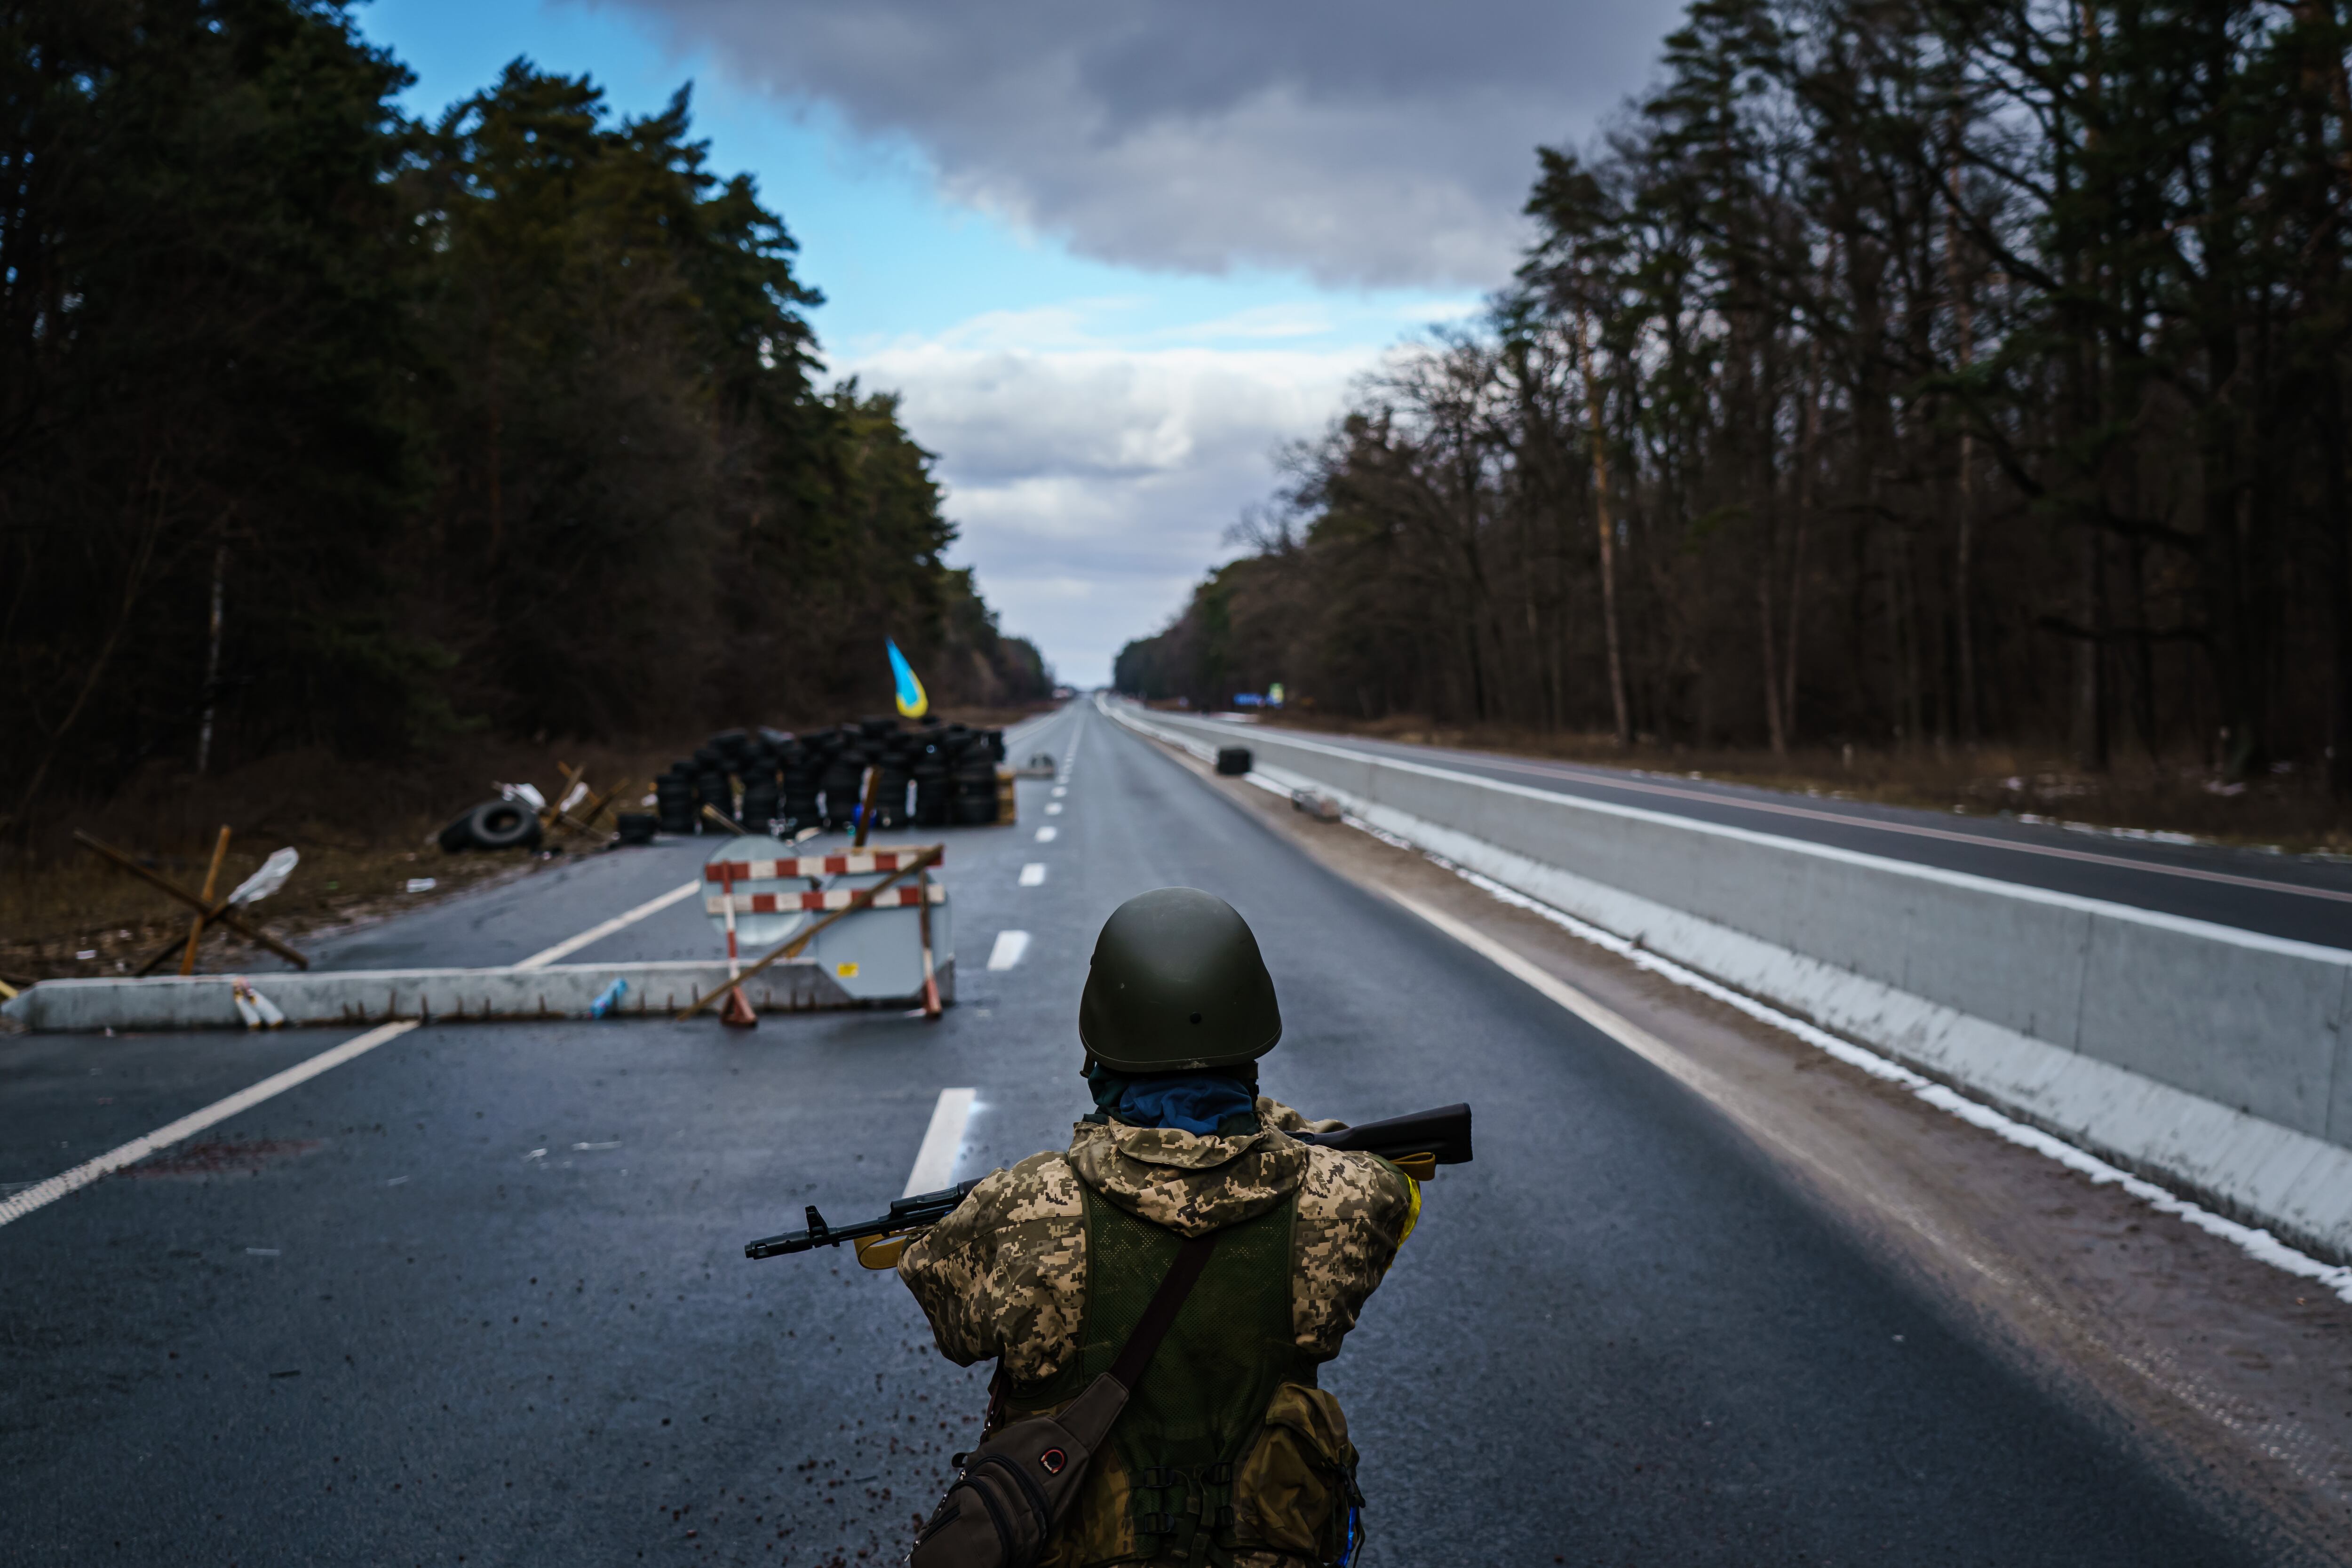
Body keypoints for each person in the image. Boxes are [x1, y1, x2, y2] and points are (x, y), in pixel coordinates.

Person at [898, 886, 1419, 1567]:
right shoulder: (1349, 1196)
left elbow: (947, 1313)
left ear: (1104, 1041)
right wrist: (1273, 1130)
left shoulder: (1026, 1206)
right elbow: (1395, 1195)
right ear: (1251, 1033)